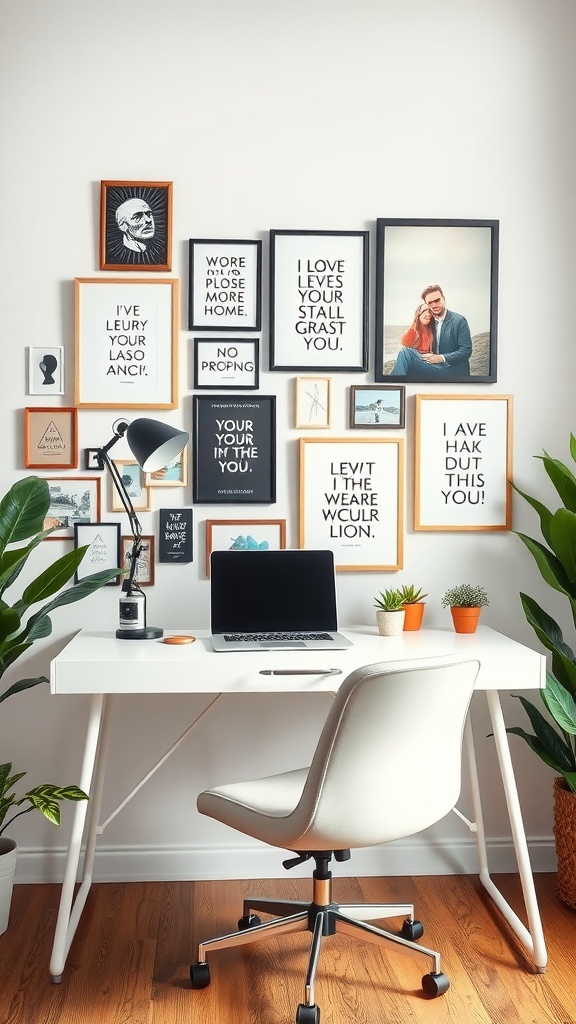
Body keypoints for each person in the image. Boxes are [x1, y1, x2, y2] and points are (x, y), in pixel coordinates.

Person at [390, 285, 472, 379]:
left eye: (437, 300)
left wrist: (440, 358)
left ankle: (393, 383)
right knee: (406, 353)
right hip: (433, 366)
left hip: (452, 370)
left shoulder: (459, 321)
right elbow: (417, 327)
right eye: (430, 303)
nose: (434, 305)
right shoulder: (430, 322)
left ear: (443, 299)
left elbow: (466, 351)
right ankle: (393, 385)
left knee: (406, 357)